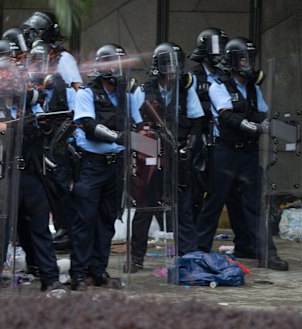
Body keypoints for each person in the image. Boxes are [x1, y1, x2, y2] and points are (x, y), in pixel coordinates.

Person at [193, 37, 289, 271]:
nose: (248, 63)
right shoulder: (218, 86)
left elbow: (263, 114)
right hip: (225, 152)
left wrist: (282, 126)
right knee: (214, 203)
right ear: (234, 60)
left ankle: (267, 254)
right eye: (244, 58)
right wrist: (257, 127)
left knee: (256, 204)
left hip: (248, 153)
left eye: (250, 58)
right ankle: (199, 253)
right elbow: (227, 116)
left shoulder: (253, 88)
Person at [125, 42, 204, 273]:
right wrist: (150, 154)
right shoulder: (143, 90)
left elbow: (196, 119)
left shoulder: (186, 87)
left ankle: (188, 255)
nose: (172, 70)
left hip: (178, 152)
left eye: (176, 65)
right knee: (145, 206)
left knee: (183, 205)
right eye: (168, 65)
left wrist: (189, 146)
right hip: (151, 152)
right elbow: (136, 126)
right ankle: (136, 258)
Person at [69, 43, 137, 291]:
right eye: (115, 65)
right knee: (84, 220)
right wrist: (116, 137)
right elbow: (87, 123)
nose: (119, 70)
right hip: (91, 165)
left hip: (115, 166)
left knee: (107, 221)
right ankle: (78, 274)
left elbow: (138, 123)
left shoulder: (126, 95)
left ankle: (98, 270)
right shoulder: (86, 93)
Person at [188, 27, 256, 259]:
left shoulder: (230, 77)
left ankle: (245, 242)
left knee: (234, 195)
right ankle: (198, 245)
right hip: (203, 139)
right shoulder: (195, 78)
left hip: (227, 140)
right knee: (205, 194)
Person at [21, 11, 82, 251]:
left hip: (60, 126)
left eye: (33, 32)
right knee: (46, 182)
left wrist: (74, 129)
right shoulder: (33, 57)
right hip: (40, 126)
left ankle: (68, 229)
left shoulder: (62, 58)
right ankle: (60, 227)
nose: (29, 36)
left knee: (60, 180)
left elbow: (77, 89)